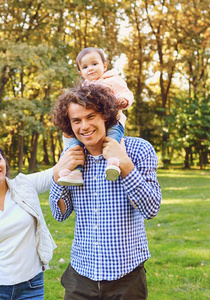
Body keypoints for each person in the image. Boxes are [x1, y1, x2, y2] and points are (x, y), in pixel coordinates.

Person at [50, 84, 161, 299]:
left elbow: (151, 209)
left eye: (90, 116)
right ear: (69, 124)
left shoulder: (139, 150)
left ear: (105, 116)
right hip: (81, 276)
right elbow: (59, 214)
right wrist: (58, 174)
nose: (84, 126)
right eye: (77, 120)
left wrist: (126, 166)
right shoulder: (71, 157)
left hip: (126, 278)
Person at [0, 140, 80, 300]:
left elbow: (57, 170)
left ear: (4, 161)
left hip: (32, 286)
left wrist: (73, 137)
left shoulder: (25, 186)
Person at [57, 47, 134, 186]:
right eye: (85, 67)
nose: (91, 69)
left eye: (94, 64)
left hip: (114, 121)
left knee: (112, 139)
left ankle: (113, 162)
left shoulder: (112, 79)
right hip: (93, 132)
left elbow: (126, 92)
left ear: (104, 65)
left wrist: (123, 100)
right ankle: (76, 172)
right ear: (81, 72)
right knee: (75, 145)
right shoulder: (83, 88)